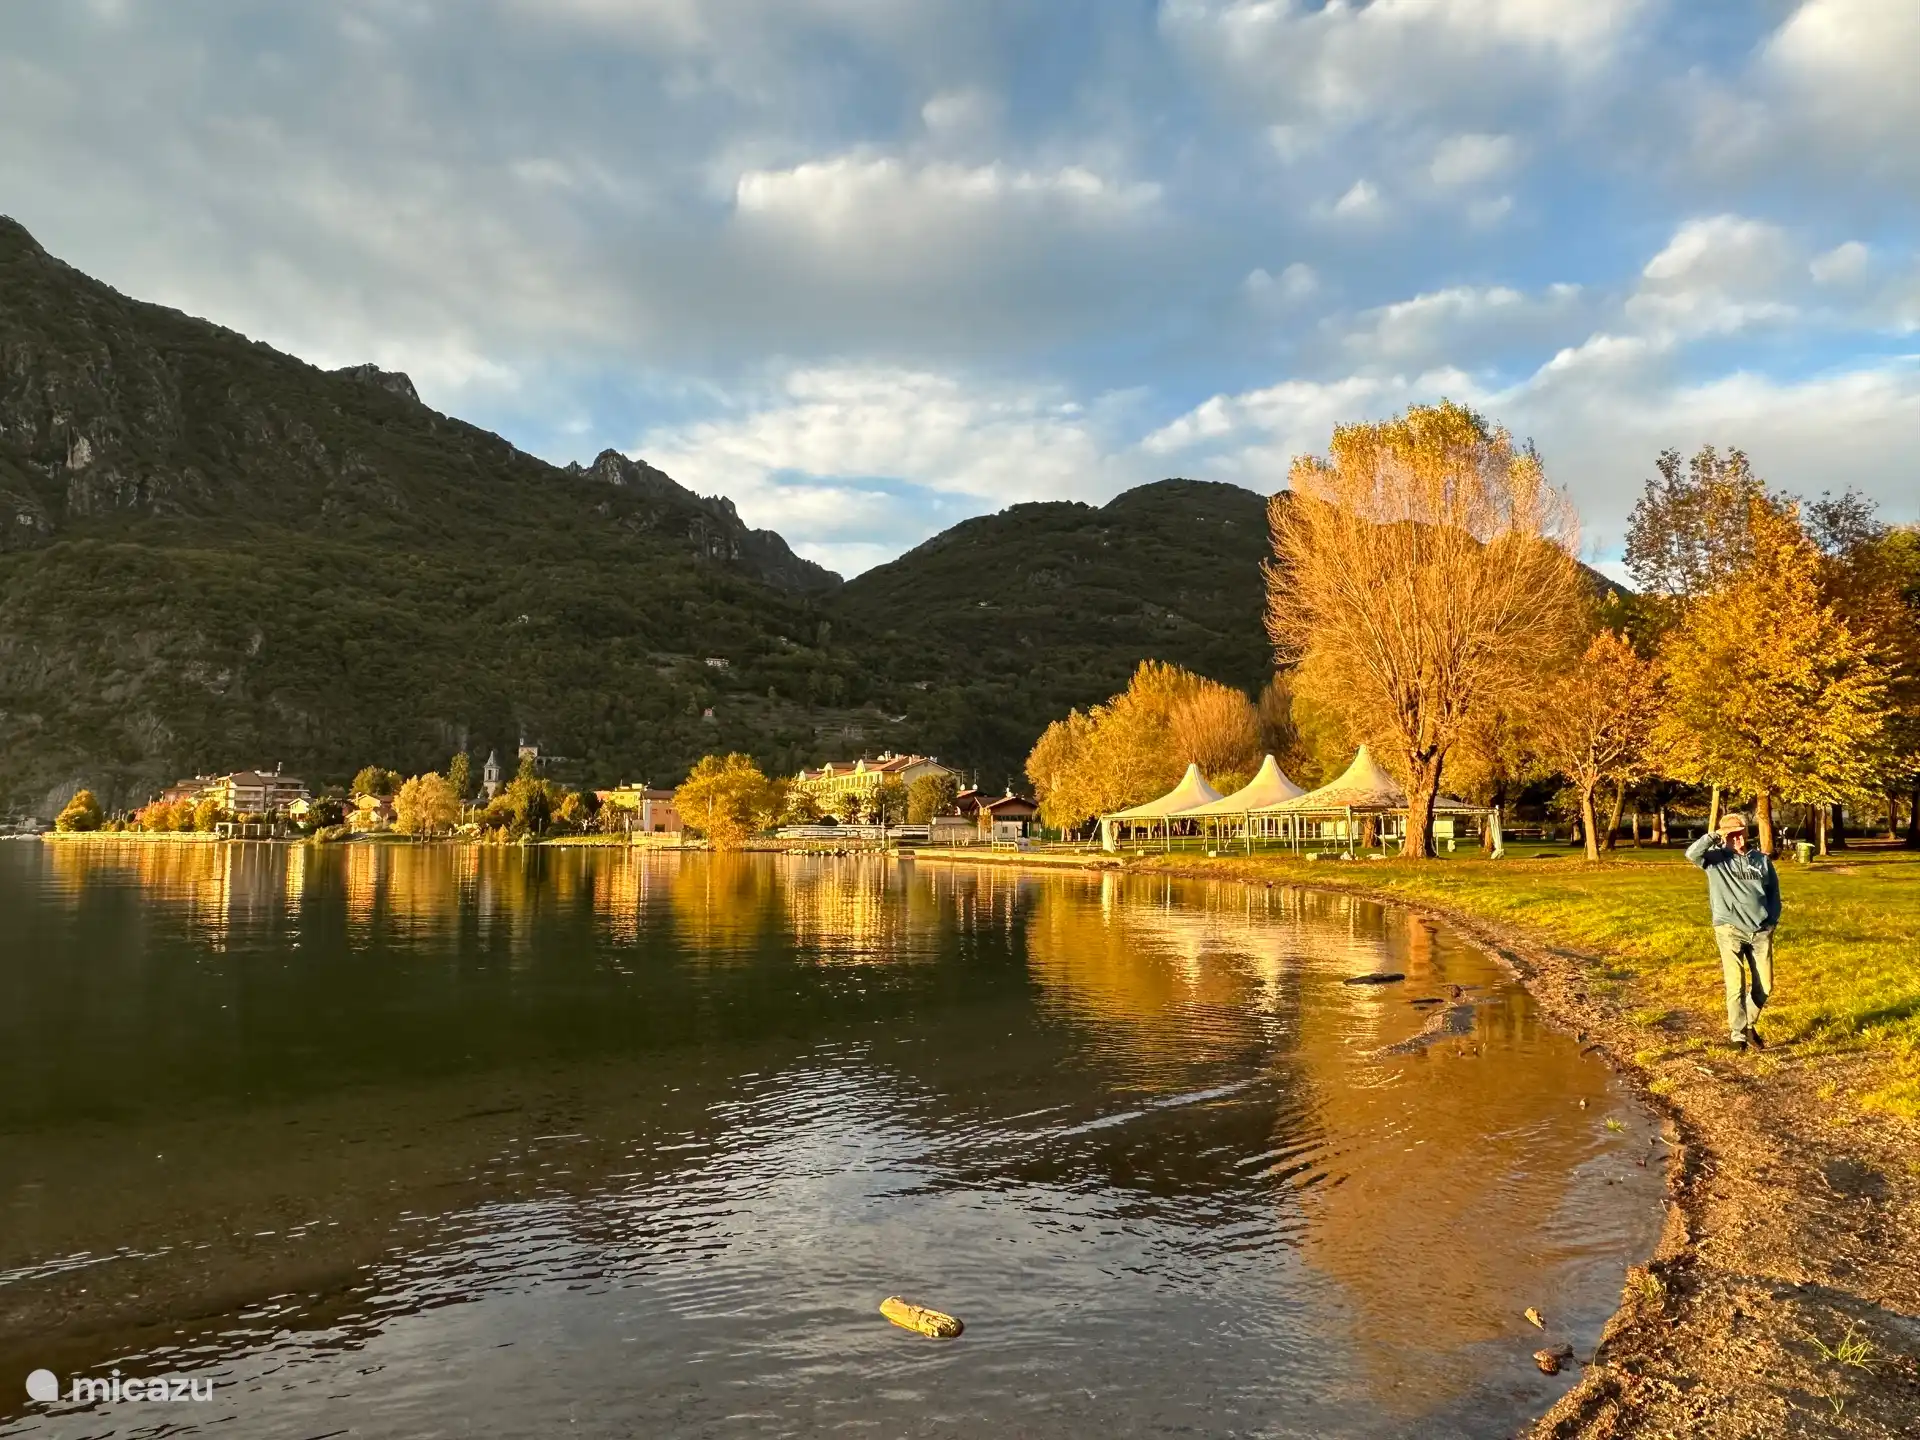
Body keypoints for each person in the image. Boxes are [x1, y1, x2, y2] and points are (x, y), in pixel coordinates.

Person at [1685, 812, 1780, 1052]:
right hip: (1729, 929)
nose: (1737, 840)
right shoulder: (1715, 860)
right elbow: (1691, 853)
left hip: (1759, 931)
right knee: (1735, 984)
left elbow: (1773, 893)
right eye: (1732, 836)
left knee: (1765, 986)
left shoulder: (1760, 860)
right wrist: (1716, 836)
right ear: (1724, 837)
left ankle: (1748, 1024)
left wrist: (1771, 921)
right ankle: (1738, 1035)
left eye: (1741, 834)